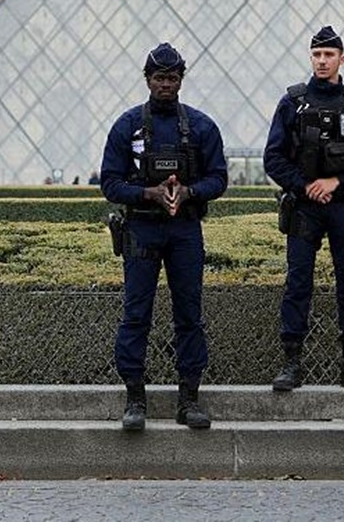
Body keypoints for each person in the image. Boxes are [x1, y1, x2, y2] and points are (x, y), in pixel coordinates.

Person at [100, 43, 227, 432]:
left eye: (172, 79)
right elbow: (109, 183)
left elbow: (219, 179)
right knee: (136, 314)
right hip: (141, 226)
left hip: (185, 228)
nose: (165, 85)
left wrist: (188, 192)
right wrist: (147, 194)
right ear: (148, 80)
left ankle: (189, 398)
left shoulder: (203, 127)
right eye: (159, 78)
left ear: (180, 80)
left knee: (189, 314)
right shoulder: (126, 126)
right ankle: (135, 397)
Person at [264, 26, 344, 392]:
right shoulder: (291, 104)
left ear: (342, 59)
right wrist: (305, 186)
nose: (321, 61)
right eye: (316, 54)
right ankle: (291, 363)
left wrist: (336, 183)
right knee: (297, 283)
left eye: (328, 55)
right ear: (310, 57)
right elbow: (273, 159)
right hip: (304, 207)